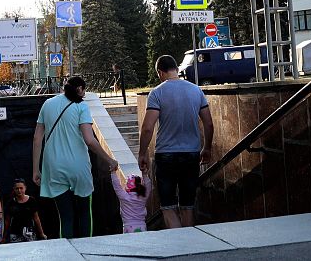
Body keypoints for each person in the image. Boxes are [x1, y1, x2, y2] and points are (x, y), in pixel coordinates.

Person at [32, 75, 120, 239]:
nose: (84, 94)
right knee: (85, 212)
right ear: (79, 89)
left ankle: (67, 251)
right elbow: (89, 140)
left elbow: (37, 139)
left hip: (53, 166)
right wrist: (109, 159)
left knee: (65, 216)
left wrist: (35, 169)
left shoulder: (47, 104)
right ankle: (87, 247)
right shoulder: (81, 106)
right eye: (84, 91)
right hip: (78, 165)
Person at [138, 55, 214, 229]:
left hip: (166, 156)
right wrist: (207, 148)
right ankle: (189, 242)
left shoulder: (157, 93)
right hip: (191, 154)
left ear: (160, 72)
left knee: (168, 207)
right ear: (177, 69)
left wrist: (142, 153)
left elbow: (148, 128)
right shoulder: (196, 90)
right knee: (188, 206)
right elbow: (209, 123)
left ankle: (179, 242)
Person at [3, 178, 47, 243]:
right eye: (17, 188)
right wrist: (4, 237)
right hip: (15, 233)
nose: (19, 190)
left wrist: (41, 233)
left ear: (25, 188)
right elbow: (7, 221)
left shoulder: (31, 201)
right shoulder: (11, 203)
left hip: (29, 233)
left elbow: (36, 219)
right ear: (14, 189)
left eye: (21, 188)